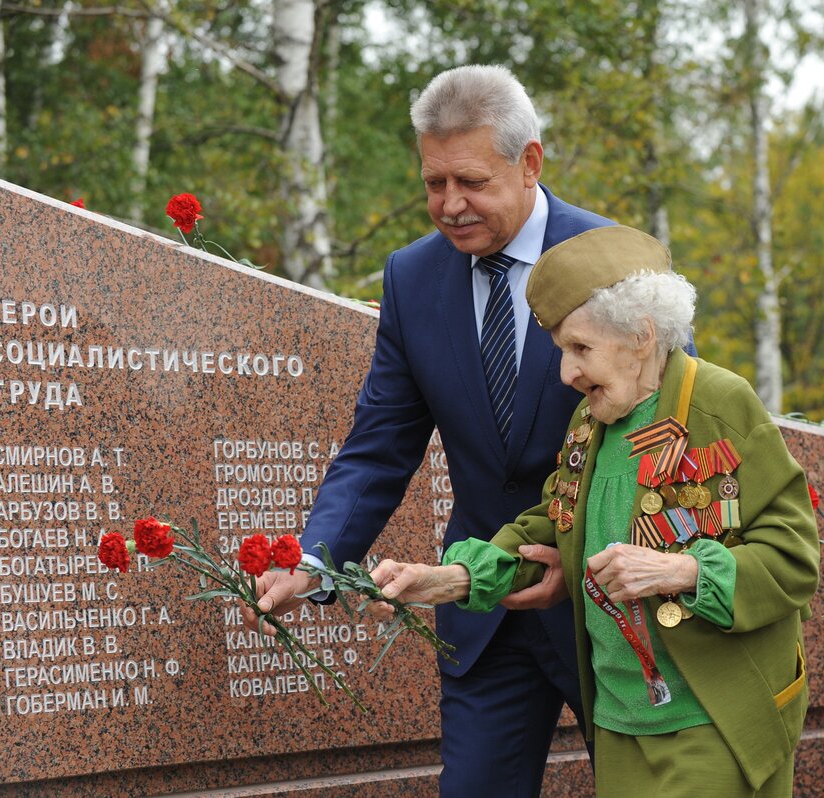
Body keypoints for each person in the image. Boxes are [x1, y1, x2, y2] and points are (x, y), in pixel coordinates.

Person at [240, 64, 615, 797]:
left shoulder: (611, 262)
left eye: (470, 182)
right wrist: (313, 562)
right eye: (433, 183)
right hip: (481, 613)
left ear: (530, 161)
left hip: (604, 603)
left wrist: (588, 555)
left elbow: (665, 442)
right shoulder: (411, 278)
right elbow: (380, 443)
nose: (449, 205)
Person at [369, 225, 821, 798]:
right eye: (562, 349)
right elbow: (550, 525)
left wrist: (680, 571)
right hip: (620, 721)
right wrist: (455, 578)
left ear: (641, 335)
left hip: (713, 718)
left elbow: (796, 559)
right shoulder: (592, 418)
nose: (566, 373)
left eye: (580, 349)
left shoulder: (721, 402)